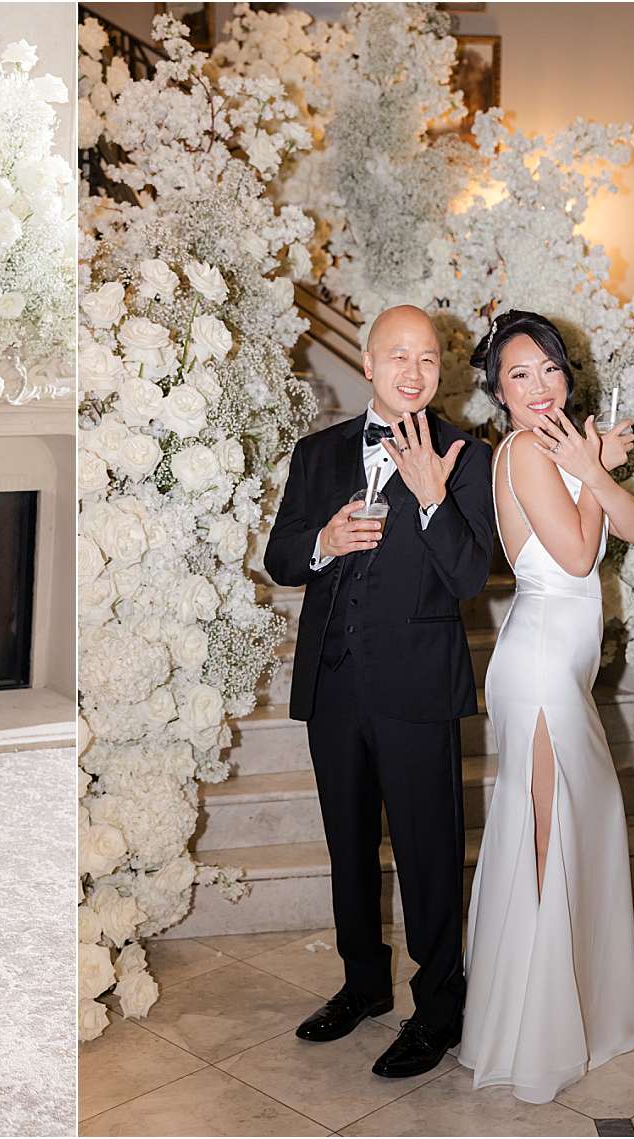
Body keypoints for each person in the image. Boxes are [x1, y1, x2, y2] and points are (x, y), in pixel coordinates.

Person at [264, 305, 494, 1079]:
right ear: (368, 363)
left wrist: (431, 497)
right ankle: (363, 984)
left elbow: (469, 577)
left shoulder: (467, 455)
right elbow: (280, 557)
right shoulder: (318, 451)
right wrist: (322, 543)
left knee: (429, 854)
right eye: (398, 355)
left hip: (418, 684)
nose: (413, 371)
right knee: (349, 848)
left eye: (427, 359)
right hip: (334, 682)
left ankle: (438, 1008)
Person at [458, 309, 634, 1102]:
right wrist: (595, 466)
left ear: (567, 375)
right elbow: (574, 555)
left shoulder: (564, 451)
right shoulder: (523, 452)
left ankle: (562, 1007)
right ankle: (530, 1033)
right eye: (519, 375)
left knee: (582, 821)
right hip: (535, 668)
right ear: (498, 393)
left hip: (560, 669)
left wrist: (597, 466)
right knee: (545, 838)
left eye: (549, 370)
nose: (540, 387)